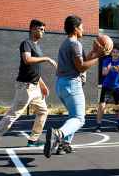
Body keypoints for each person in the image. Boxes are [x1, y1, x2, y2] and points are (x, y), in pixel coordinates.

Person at [0, 19, 57, 157]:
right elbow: (27, 60)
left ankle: (33, 139)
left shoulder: (38, 47)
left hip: (35, 88)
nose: (43, 32)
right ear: (32, 29)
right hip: (25, 88)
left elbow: (34, 70)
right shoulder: (26, 43)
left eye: (44, 30)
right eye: (40, 29)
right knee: (12, 117)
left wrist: (43, 85)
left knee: (43, 111)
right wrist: (46, 59)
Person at [43, 15, 106, 158]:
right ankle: (57, 134)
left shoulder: (67, 43)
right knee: (79, 118)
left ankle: (64, 145)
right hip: (71, 84)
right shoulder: (75, 44)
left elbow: (82, 60)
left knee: (73, 116)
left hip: (62, 84)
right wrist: (99, 57)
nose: (83, 29)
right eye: (82, 27)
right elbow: (81, 67)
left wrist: (94, 52)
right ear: (76, 28)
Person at [94, 46, 119, 132]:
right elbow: (104, 73)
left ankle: (118, 125)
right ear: (111, 53)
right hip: (106, 86)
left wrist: (118, 69)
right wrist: (109, 68)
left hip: (116, 87)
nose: (115, 53)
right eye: (113, 52)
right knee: (102, 106)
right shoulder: (106, 61)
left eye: (116, 52)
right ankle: (98, 126)